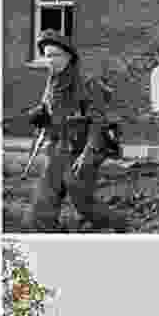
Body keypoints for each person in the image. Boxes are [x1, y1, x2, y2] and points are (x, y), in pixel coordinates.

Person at [26, 30, 126, 232]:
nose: (50, 60)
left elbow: (99, 122)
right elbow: (50, 111)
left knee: (81, 198)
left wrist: (87, 155)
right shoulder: (53, 82)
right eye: (46, 55)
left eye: (55, 55)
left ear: (68, 56)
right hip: (58, 147)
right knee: (40, 209)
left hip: (84, 147)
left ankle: (117, 224)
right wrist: (40, 115)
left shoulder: (86, 83)